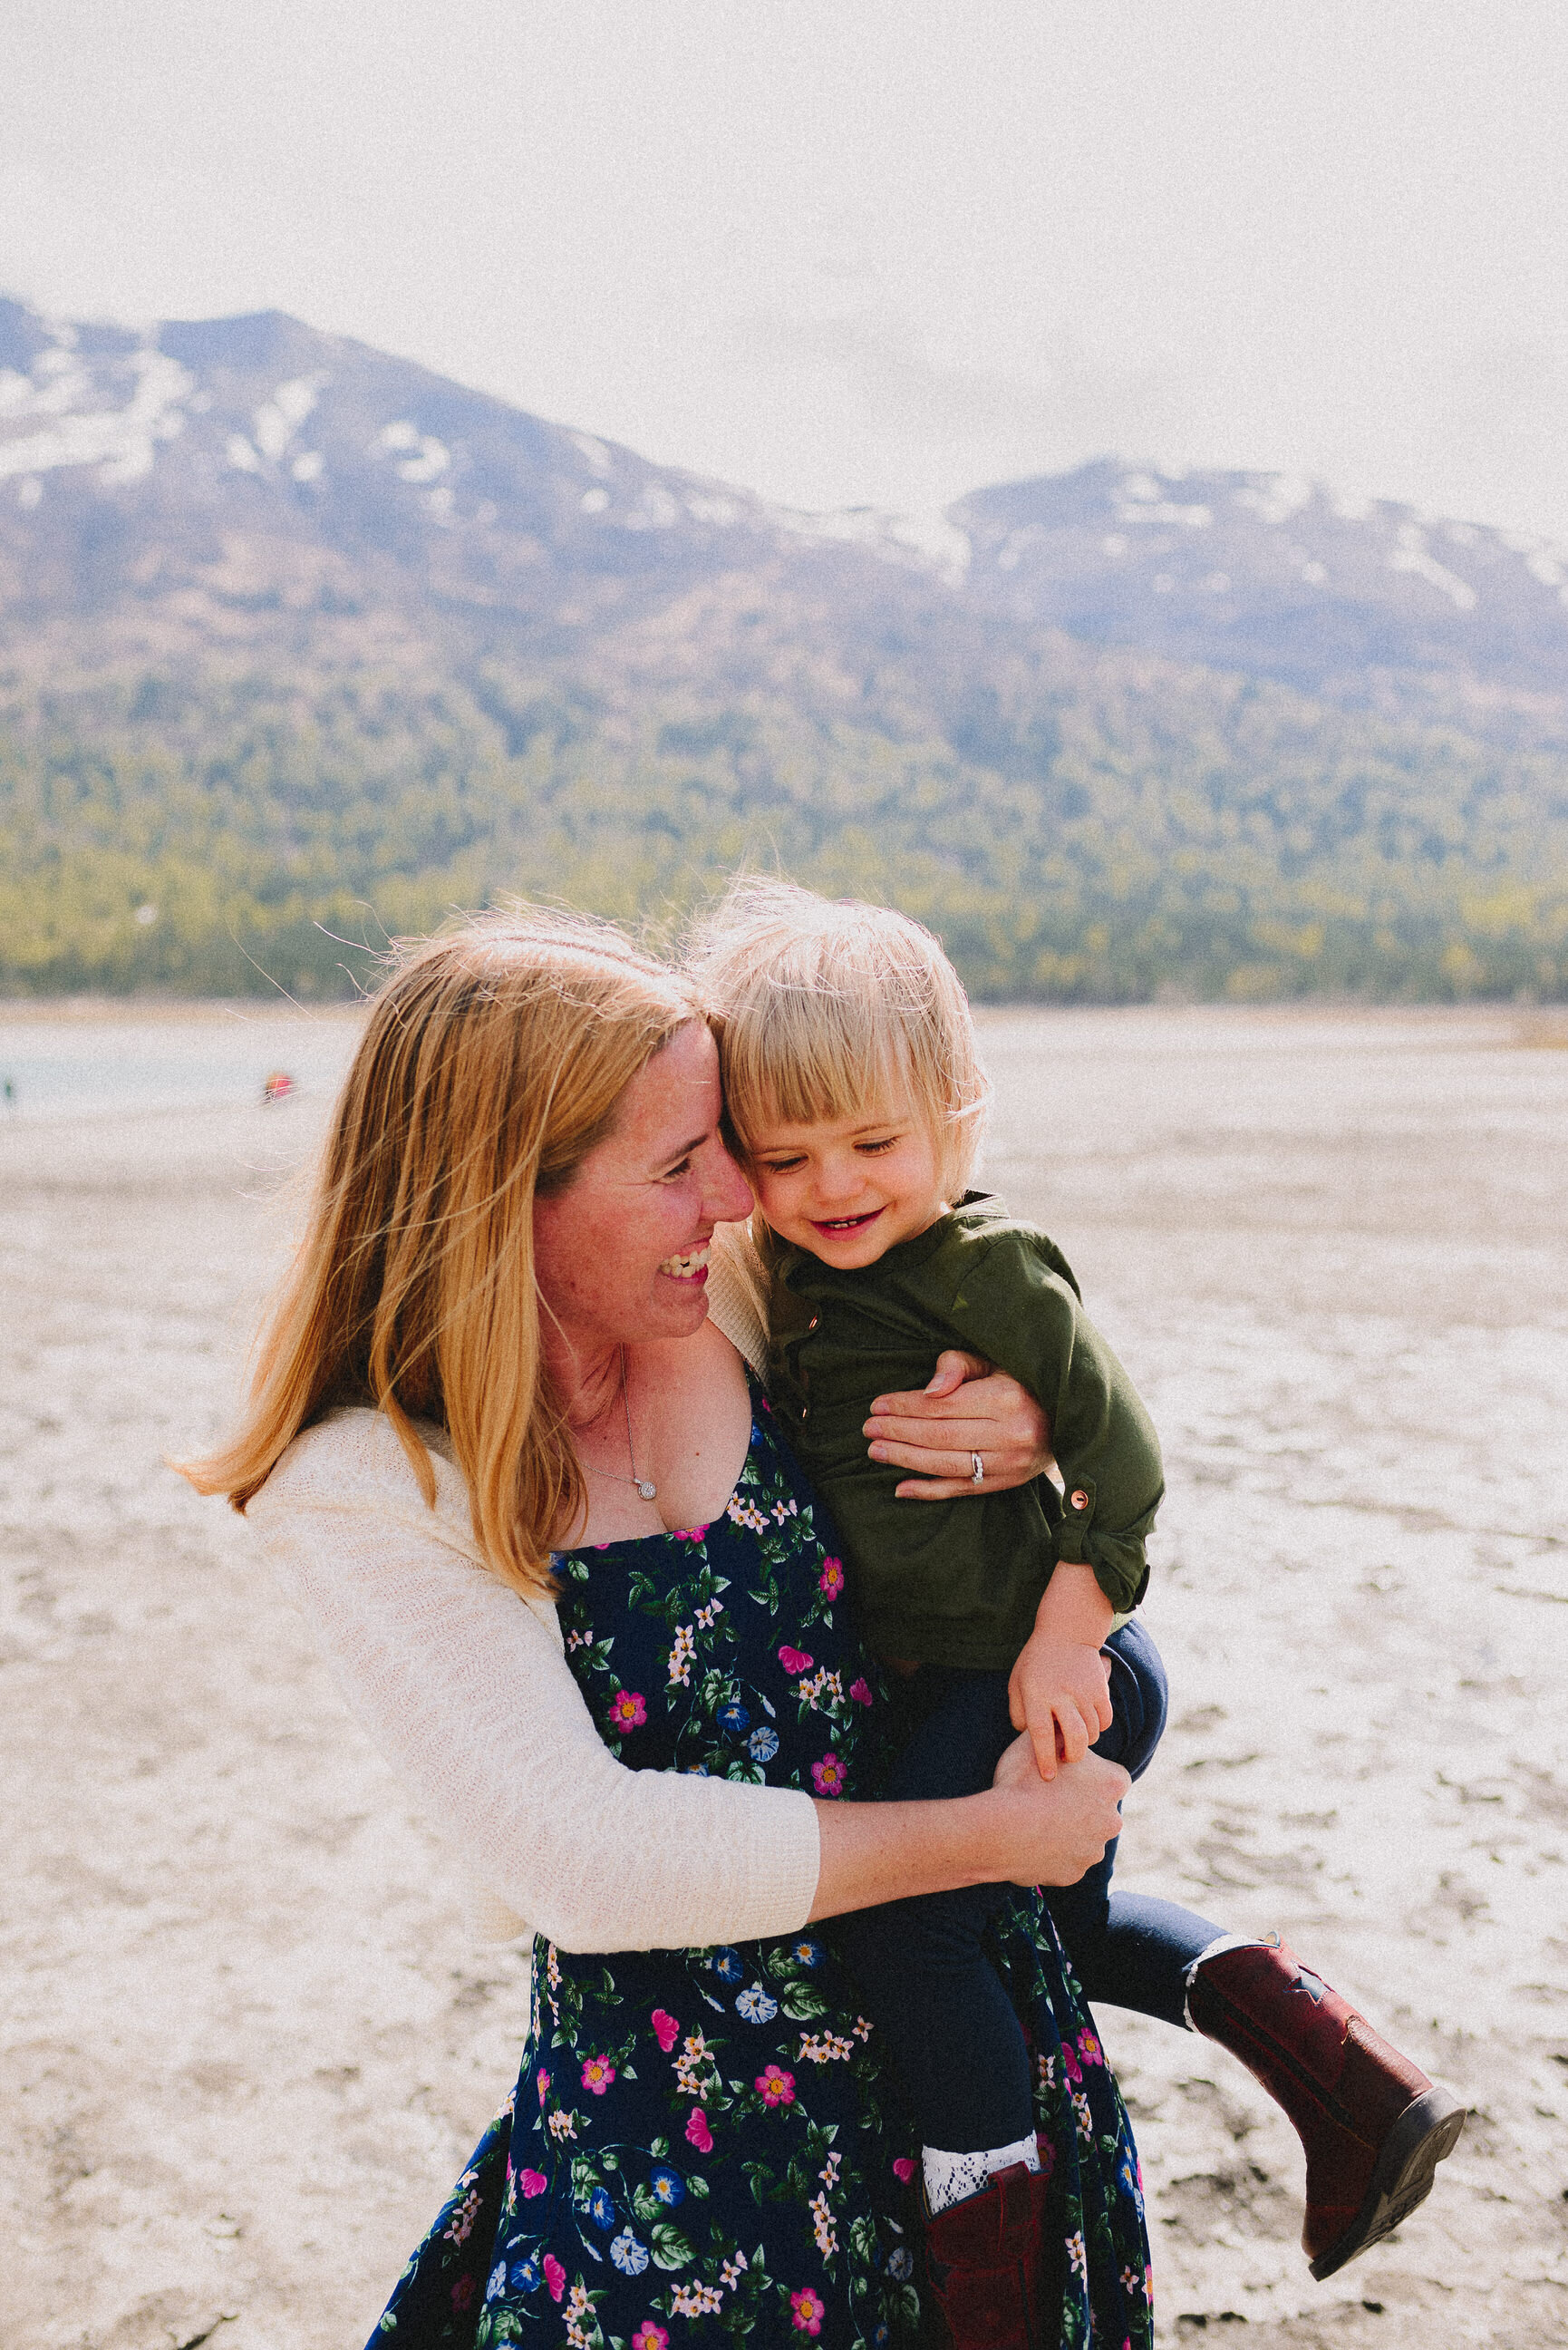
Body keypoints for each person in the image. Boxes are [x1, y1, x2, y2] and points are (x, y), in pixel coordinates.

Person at [180, 908, 1149, 2350]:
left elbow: (1062, 1494)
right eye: (681, 1164)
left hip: (971, 2087)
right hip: (684, 2166)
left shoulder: (752, 1313)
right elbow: (590, 1860)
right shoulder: (370, 1485)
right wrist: (985, 1843)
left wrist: (1012, 1434)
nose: (740, 1200)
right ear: (507, 1190)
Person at [689, 879, 1465, 2286]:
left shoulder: (979, 1265)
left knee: (913, 1933)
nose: (833, 1186)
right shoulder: (791, 1268)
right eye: (784, 1156)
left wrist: (1058, 1646)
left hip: (1033, 1654)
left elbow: (1128, 1464)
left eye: (873, 1142)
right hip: (985, 1657)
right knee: (1048, 1929)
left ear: (957, 1112)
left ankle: (989, 2270)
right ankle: (1348, 2080)